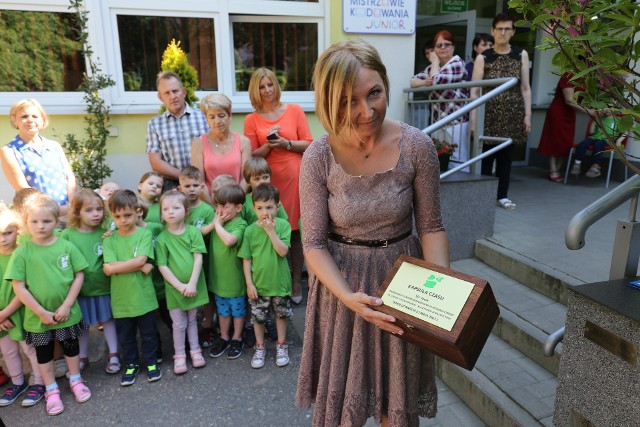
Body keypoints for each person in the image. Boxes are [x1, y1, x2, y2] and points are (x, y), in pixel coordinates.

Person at [295, 39, 449, 426]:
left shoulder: (417, 147)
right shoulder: (318, 156)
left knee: (393, 404)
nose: (367, 111)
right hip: (340, 288)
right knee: (343, 408)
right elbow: (312, 242)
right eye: (349, 100)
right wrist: (348, 297)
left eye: (374, 93)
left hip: (402, 283)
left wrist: (445, 296)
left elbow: (430, 227)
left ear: (385, 82)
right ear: (330, 102)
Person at [7, 193, 91, 416]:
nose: (40, 226)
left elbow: (79, 275)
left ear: (56, 222)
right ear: (26, 224)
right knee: (44, 353)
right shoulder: (22, 252)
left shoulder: (66, 246)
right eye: (34, 221)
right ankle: (51, 389)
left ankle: (75, 380)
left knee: (71, 346)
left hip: (67, 312)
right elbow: (19, 286)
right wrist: (41, 311)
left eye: (46, 221)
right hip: (38, 317)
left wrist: (66, 305)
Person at [243, 67, 312, 305]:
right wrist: (271, 145)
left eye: (270, 84)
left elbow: (309, 144)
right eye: (262, 86)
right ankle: (271, 282)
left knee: (293, 231)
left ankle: (295, 283)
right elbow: (253, 155)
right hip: (267, 181)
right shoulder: (251, 119)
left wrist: (287, 143)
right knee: (270, 228)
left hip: (294, 176)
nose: (267, 90)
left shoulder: (294, 110)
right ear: (255, 90)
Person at [471, 13, 532, 210]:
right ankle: (484, 195)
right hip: (488, 115)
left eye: (507, 29)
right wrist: (473, 119)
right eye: (499, 28)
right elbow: (475, 90)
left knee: (506, 157)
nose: (503, 32)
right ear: (492, 31)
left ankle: (502, 195)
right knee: (486, 156)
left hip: (513, 114)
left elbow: (525, 87)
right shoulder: (484, 57)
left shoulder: (520, 54)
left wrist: (528, 115)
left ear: (513, 31)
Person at [102, 190, 161, 386]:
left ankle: (152, 363)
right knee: (126, 337)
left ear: (137, 212)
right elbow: (108, 269)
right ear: (112, 215)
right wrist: (135, 264)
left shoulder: (144, 233)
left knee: (149, 334)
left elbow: (142, 260)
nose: (123, 220)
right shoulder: (109, 239)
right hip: (121, 300)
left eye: (127, 215)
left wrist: (123, 265)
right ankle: (131, 365)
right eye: (117, 216)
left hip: (144, 297)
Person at [61, 190, 120, 375]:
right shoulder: (67, 235)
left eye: (99, 209)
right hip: (80, 291)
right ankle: (82, 357)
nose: (96, 214)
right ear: (77, 212)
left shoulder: (106, 234)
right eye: (89, 210)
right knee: (83, 325)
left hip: (104, 287)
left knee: (109, 320)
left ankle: (114, 354)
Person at [238, 183, 292, 369]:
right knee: (258, 318)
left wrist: (270, 231)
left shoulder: (283, 225)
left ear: (278, 207)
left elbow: (283, 251)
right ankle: (260, 347)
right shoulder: (250, 231)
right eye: (260, 208)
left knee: (281, 315)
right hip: (258, 285)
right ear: (253, 208)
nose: (264, 212)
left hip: (280, 283)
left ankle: (281, 345)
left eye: (269, 207)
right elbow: (246, 259)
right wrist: (249, 284)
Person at [155, 191, 209, 375]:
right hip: (174, 289)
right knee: (178, 323)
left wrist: (192, 284)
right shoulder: (162, 239)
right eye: (166, 209)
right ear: (161, 213)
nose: (171, 212)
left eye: (176, 208)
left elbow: (198, 258)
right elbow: (162, 265)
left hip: (194, 286)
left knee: (193, 320)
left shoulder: (193, 232)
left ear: (186, 211)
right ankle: (179, 356)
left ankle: (195, 351)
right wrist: (179, 286)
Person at [0, 205, 45, 408]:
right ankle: (18, 382)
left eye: (7, 233)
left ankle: (39, 382)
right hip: (1, 317)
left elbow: (23, 289)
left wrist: (4, 314)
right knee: (8, 350)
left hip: (22, 310)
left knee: (31, 349)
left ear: (18, 230)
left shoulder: (23, 253)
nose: (2, 239)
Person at [0, 99, 77, 215]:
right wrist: (52, 210)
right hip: (36, 216)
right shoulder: (9, 151)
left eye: (35, 116)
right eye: (24, 116)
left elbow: (69, 177)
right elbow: (23, 189)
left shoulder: (54, 146)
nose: (30, 120)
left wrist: (72, 206)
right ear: (14, 120)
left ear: (42, 120)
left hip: (67, 214)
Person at [410, 30, 470, 170]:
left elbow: (436, 80)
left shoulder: (457, 63)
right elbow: (413, 81)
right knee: (439, 158)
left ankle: (462, 188)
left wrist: (435, 62)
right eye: (439, 45)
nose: (443, 48)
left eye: (446, 44)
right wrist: (426, 82)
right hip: (439, 121)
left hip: (456, 120)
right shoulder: (433, 68)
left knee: (457, 159)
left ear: (453, 47)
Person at [146, 71, 209, 192]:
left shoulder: (204, 117)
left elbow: (214, 148)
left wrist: (196, 178)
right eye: (167, 93)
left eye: (175, 91)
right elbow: (155, 162)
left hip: (203, 180)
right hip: (172, 183)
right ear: (160, 97)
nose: (172, 96)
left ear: (184, 92)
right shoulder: (154, 124)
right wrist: (184, 177)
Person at [207, 184, 248, 360]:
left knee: (238, 311)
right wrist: (215, 223)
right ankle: (224, 336)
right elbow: (200, 233)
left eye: (224, 206)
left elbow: (230, 241)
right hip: (218, 279)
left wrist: (217, 225)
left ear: (238, 208)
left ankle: (237, 337)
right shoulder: (218, 223)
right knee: (223, 311)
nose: (219, 210)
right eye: (217, 205)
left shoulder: (241, 223)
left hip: (234, 280)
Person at [191, 93, 252, 200]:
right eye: (212, 117)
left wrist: (234, 203)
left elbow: (246, 179)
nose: (217, 121)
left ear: (230, 116)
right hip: (209, 204)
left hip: (237, 202)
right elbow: (199, 182)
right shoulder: (198, 143)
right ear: (207, 119)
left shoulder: (244, 142)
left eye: (221, 115)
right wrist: (214, 207)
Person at [538, 73, 593, 182]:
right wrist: (589, 111)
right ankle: (553, 169)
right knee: (555, 141)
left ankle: (556, 169)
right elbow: (569, 100)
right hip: (558, 112)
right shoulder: (569, 75)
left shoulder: (586, 79)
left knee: (566, 142)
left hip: (570, 114)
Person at [241, 158, 288, 226]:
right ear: (248, 181)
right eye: (257, 179)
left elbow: (284, 222)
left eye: (265, 177)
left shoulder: (274, 199)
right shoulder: (244, 202)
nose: (262, 181)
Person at [569, 114, 619, 178]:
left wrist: (619, 140)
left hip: (606, 140)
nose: (606, 109)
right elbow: (591, 132)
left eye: (609, 107)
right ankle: (577, 164)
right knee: (581, 144)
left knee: (598, 144)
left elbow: (625, 131)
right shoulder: (599, 119)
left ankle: (596, 166)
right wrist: (595, 119)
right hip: (594, 138)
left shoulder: (617, 120)